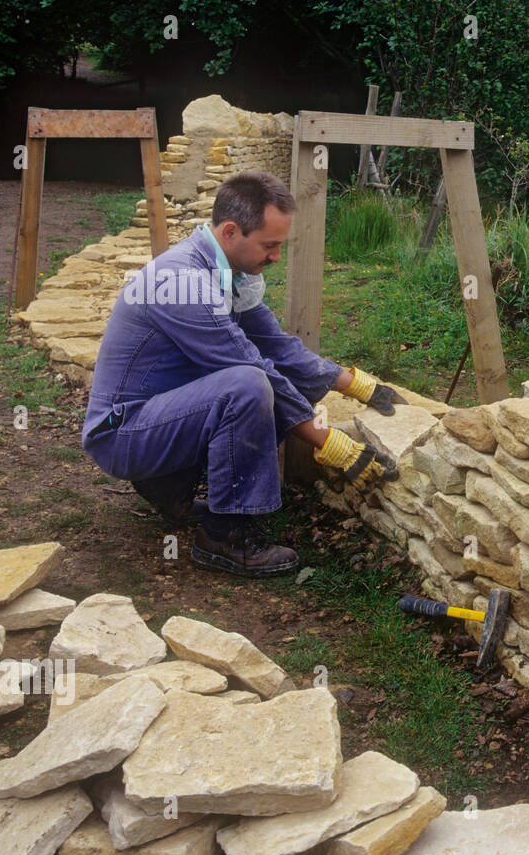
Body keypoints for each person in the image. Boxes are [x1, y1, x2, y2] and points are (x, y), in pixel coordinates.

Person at [82, 170, 404, 578]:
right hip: (121, 434)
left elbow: (276, 346)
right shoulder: (183, 281)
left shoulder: (226, 272)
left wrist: (356, 384)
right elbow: (252, 367)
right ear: (232, 231)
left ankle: (169, 487)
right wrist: (335, 446)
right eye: (269, 245)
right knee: (249, 387)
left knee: (262, 386)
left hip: (153, 418)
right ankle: (224, 536)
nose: (275, 257)